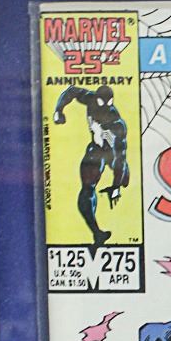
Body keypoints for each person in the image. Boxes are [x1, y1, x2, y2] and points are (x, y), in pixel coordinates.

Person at [53, 84, 129, 249]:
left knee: (124, 178)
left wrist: (116, 186)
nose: (104, 108)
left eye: (108, 104)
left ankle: (121, 182)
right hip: (96, 151)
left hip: (112, 153)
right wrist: (59, 110)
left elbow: (120, 156)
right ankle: (97, 232)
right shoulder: (90, 99)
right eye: (101, 103)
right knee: (87, 188)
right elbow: (72, 91)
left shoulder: (117, 124)